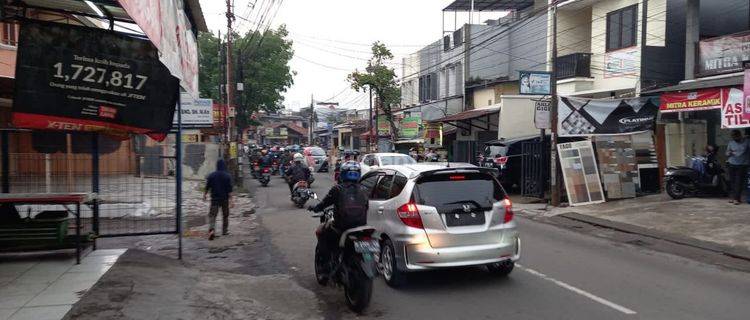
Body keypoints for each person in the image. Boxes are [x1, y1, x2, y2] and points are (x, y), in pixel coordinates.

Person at [307, 161, 369, 278]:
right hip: (362, 226)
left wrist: (315, 208)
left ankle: (325, 267)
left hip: (342, 226)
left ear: (343, 174)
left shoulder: (337, 189)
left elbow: (324, 204)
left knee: (321, 232)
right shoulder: (365, 189)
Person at [203, 159, 233, 240]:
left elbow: (207, 187)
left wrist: (204, 195)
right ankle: (225, 231)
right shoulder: (227, 176)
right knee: (225, 215)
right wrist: (231, 201)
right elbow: (229, 190)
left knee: (212, 216)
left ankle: (212, 230)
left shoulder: (211, 175)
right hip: (224, 199)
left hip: (214, 199)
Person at [725, 130, 749, 205]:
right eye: (733, 137)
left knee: (739, 182)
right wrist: (729, 153)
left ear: (739, 135)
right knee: (732, 181)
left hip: (742, 164)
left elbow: (742, 152)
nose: (734, 138)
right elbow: (727, 153)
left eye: (735, 136)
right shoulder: (731, 143)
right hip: (732, 163)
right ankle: (733, 197)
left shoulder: (747, 142)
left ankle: (736, 198)